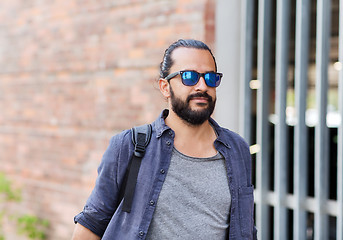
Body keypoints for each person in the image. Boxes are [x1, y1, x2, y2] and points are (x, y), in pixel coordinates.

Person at [72, 39, 257, 240]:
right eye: (189, 77)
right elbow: (90, 227)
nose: (202, 86)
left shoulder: (237, 149)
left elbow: (246, 229)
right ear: (165, 87)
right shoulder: (129, 146)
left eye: (210, 78)